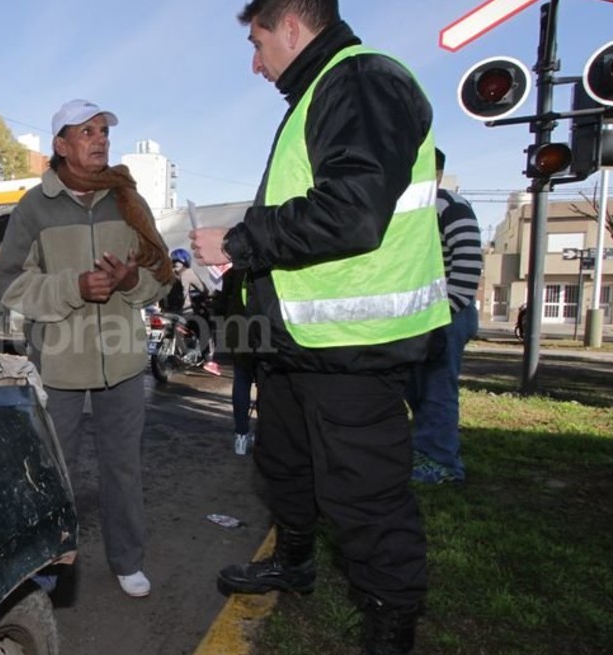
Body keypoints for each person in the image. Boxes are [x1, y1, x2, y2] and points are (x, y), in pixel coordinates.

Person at [190, 2, 448, 652]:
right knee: (286, 466)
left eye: (257, 44)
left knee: (365, 500)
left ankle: (390, 627)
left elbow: (353, 211)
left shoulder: (362, 79)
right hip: (298, 346)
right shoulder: (319, 94)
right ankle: (295, 561)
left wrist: (240, 239)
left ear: (291, 27)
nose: (255, 64)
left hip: (353, 347)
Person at [0, 99, 172, 599]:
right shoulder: (34, 207)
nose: (100, 140)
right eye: (87, 132)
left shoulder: (128, 200)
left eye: (103, 131)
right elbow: (10, 283)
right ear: (61, 145)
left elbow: (160, 276)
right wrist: (73, 287)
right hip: (58, 363)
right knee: (55, 473)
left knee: (124, 469)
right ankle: (49, 568)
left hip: (123, 360)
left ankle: (128, 561)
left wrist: (132, 282)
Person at [404, 149, 482, 485]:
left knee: (437, 390)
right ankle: (425, 451)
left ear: (436, 173)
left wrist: (443, 313)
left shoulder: (448, 205)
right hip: (420, 316)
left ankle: (442, 463)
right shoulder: (411, 210)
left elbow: (467, 264)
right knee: (416, 389)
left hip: (447, 315)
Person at [216, 265, 257, 455]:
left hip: (238, 330)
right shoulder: (270, 259)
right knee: (267, 384)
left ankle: (241, 436)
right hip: (266, 330)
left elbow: (221, 303)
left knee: (241, 380)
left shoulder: (235, 270)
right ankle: (264, 434)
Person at [165, 248, 221, 375]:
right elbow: (203, 289)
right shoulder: (187, 272)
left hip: (166, 312)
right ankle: (208, 360)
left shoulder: (166, 273)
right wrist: (212, 294)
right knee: (205, 326)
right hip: (185, 312)